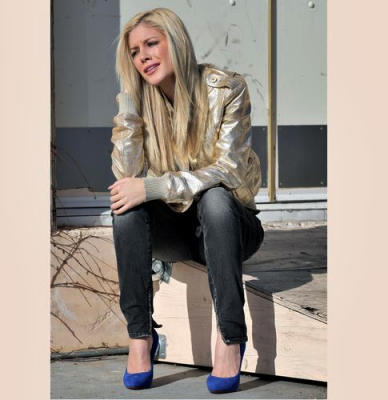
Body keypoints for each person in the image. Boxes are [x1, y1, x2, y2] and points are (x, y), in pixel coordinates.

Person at [109, 7, 264, 394]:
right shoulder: (140, 101)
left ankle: (230, 338)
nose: (143, 57)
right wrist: (128, 105)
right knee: (126, 209)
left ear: (175, 42)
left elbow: (229, 171)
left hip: (231, 225)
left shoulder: (227, 90)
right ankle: (140, 338)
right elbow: (127, 177)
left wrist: (155, 187)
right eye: (134, 52)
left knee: (215, 199)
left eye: (151, 44)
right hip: (179, 233)